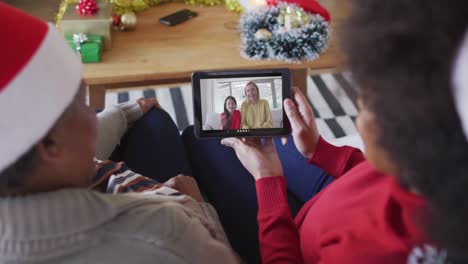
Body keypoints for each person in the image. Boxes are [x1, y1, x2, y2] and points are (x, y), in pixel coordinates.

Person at [181, 0, 468, 263]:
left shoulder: (368, 253)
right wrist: (320, 150)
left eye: (372, 103)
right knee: (210, 137)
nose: (360, 102)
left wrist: (268, 180)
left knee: (199, 139)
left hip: (288, 238)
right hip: (334, 196)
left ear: (418, 143)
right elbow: (373, 171)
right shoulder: (433, 173)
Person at [0, 4, 239, 263]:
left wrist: (122, 115)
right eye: (84, 102)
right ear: (48, 143)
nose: (94, 113)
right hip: (179, 211)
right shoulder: (165, 234)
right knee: (192, 136)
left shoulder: (21, 162)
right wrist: (197, 206)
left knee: (151, 118)